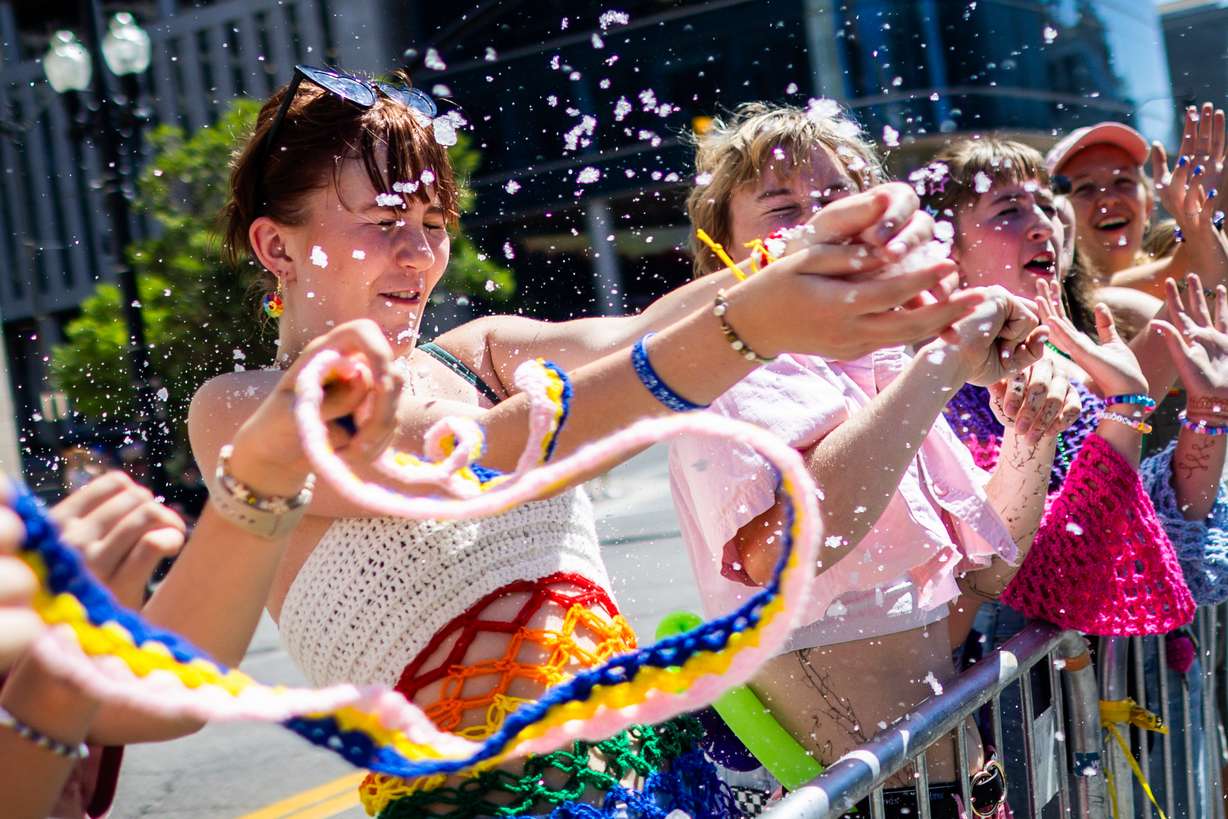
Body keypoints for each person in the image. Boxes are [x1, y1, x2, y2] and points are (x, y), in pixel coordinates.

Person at [191, 67, 1027, 818]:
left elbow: (645, 334)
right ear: (277, 246)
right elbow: (475, 447)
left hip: (655, 780)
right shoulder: (242, 410)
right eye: (384, 220)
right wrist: (754, 317)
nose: (419, 252)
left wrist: (787, 264)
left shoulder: (474, 349)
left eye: (432, 219)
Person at [668, 102, 1076, 817]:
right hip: (855, 799)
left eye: (837, 199)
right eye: (783, 206)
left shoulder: (881, 364)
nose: (822, 221)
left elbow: (986, 571)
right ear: (722, 250)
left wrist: (1030, 430)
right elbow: (788, 552)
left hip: (961, 787)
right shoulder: (724, 373)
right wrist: (943, 364)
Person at [924, 136, 1211, 814]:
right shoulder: (931, 386)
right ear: (947, 253)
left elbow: (1127, 527)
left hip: (1091, 692)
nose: (1042, 224)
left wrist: (1195, 410)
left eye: (1042, 205)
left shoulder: (1072, 360)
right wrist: (1128, 406)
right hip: (1008, 716)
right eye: (1006, 210)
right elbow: (1034, 565)